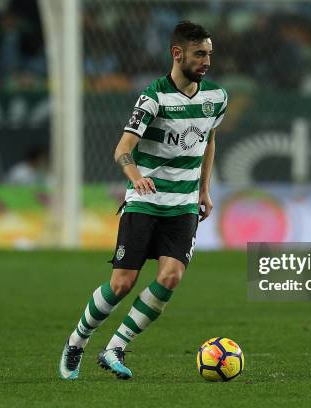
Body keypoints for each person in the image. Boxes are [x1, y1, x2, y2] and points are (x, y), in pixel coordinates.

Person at [58, 21, 227, 380]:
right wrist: (136, 177)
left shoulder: (217, 98)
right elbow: (122, 148)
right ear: (177, 54)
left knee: (170, 277)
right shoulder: (152, 98)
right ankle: (77, 341)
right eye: (199, 54)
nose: (206, 61)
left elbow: (209, 140)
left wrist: (204, 190)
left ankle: (116, 347)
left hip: (182, 205)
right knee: (122, 283)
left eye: (209, 54)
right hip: (145, 202)